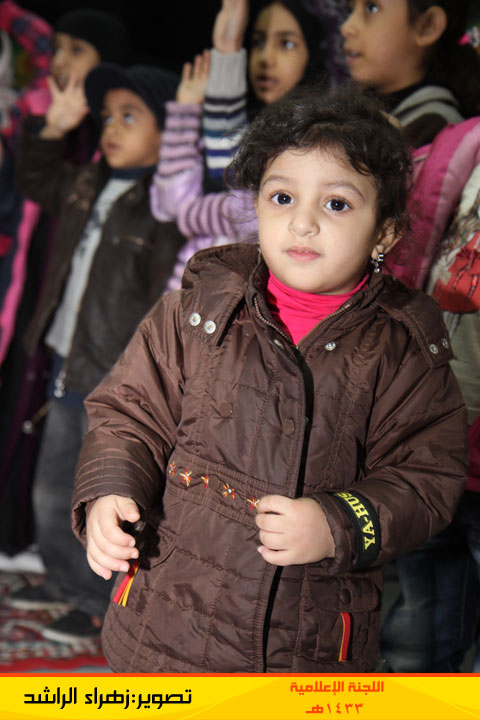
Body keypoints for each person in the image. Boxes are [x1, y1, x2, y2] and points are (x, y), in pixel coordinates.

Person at [72, 84, 468, 673]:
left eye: (337, 205)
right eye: (282, 197)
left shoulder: (404, 350)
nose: (302, 223)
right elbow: (128, 414)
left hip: (300, 648)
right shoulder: (194, 312)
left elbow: (426, 477)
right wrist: (111, 488)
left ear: (384, 233)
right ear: (256, 206)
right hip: (162, 623)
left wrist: (340, 522)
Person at [4, 61, 186, 645]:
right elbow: (35, 179)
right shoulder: (88, 182)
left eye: (130, 117)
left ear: (168, 131)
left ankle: (92, 600)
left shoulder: (161, 206)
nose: (111, 128)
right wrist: (52, 129)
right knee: (52, 484)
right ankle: (62, 580)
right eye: (108, 117)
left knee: (98, 490)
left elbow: (162, 301)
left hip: (114, 375)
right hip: (67, 360)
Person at [0, 9, 131, 555]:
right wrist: (51, 128)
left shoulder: (114, 146)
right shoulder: (44, 118)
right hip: (36, 292)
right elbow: (26, 187)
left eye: (78, 50)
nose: (61, 60)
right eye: (58, 48)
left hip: (85, 326)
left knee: (59, 440)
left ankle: (47, 552)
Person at [151, 0, 327, 292]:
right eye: (258, 42)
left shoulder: (320, 147)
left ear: (316, 51)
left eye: (286, 44)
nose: (266, 58)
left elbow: (253, 219)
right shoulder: (246, 133)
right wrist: (227, 47)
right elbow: (173, 204)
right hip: (189, 303)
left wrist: (194, 212)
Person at [381, 161, 480, 672]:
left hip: (443, 443)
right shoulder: (467, 158)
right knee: (423, 607)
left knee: (426, 606)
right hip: (434, 450)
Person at [341, 0, 480, 148]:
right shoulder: (356, 109)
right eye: (351, 10)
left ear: (427, 26)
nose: (346, 28)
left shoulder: (435, 129)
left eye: (372, 8)